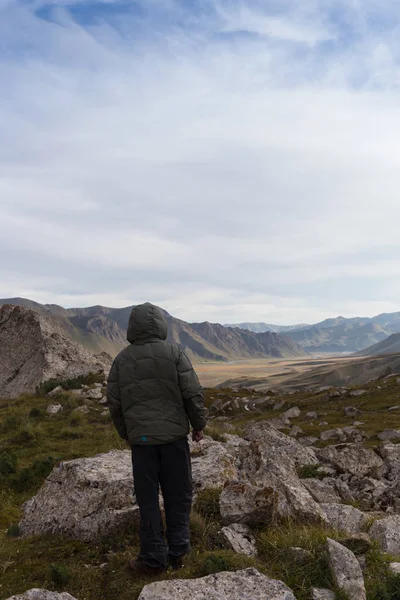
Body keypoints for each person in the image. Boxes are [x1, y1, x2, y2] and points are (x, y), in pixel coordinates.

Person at [107, 302, 207, 575]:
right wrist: (198, 425)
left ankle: (152, 559)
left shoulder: (122, 360)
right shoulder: (176, 353)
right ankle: (178, 552)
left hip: (142, 444)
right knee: (179, 495)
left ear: (132, 327)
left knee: (148, 500)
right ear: (161, 325)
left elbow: (114, 404)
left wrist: (128, 434)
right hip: (175, 439)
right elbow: (192, 393)